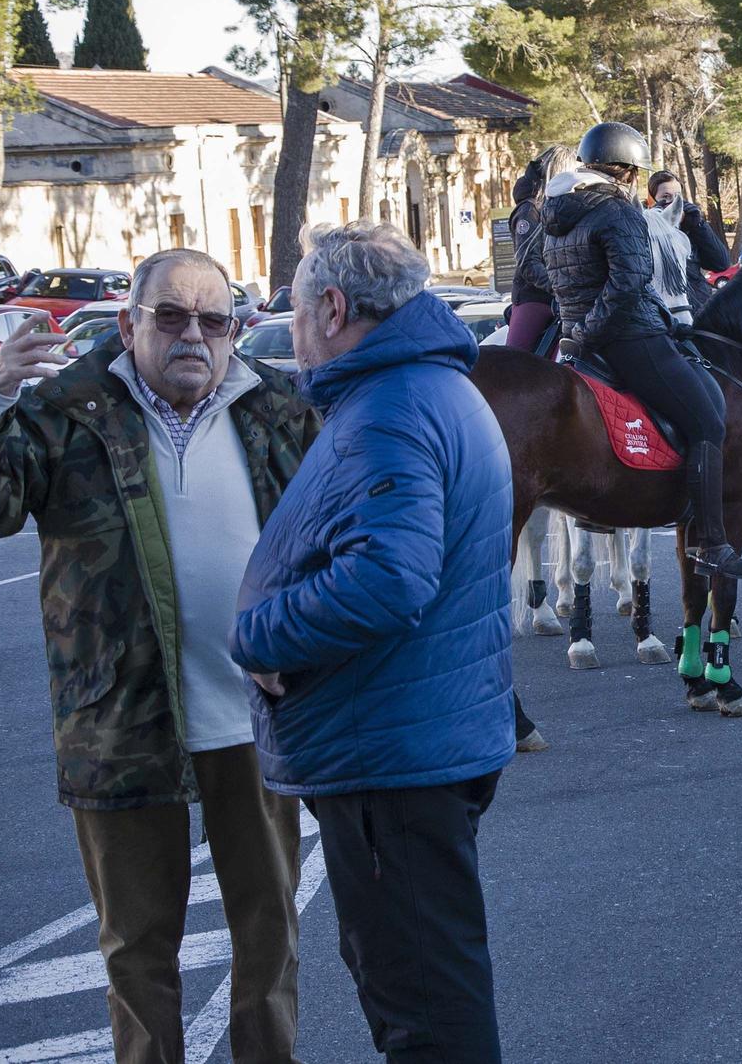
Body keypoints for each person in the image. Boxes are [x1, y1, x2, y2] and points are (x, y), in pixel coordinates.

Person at [0, 248, 318, 1064]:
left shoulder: (276, 409)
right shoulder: (68, 410)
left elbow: (334, 541)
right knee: (137, 949)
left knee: (269, 933)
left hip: (257, 718)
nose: (193, 336)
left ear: (235, 329)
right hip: (119, 719)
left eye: (214, 319)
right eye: (170, 316)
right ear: (130, 322)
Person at [231, 222, 515, 1064]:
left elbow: (391, 575)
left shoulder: (390, 407)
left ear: (332, 305)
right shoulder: (418, 388)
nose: (290, 325)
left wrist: (263, 635)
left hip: (392, 758)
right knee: (422, 986)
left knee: (424, 1010)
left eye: (295, 305)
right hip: (412, 739)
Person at [541, 122, 742, 579]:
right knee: (707, 416)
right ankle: (710, 542)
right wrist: (591, 329)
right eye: (637, 173)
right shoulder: (616, 210)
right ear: (625, 171)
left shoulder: (555, 210)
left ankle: (596, 508)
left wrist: (576, 329)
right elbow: (631, 282)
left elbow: (546, 275)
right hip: (626, 337)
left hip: (577, 337)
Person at [505, 145, 575, 353]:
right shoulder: (529, 211)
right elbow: (528, 263)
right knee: (516, 361)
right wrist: (559, 287)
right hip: (534, 297)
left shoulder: (566, 209)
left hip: (568, 298)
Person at [647, 168, 732, 319]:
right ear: (652, 200)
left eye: (677, 197)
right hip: (668, 314)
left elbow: (721, 263)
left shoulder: (691, 228)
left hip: (701, 309)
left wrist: (698, 225)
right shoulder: (647, 231)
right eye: (665, 197)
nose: (673, 203)